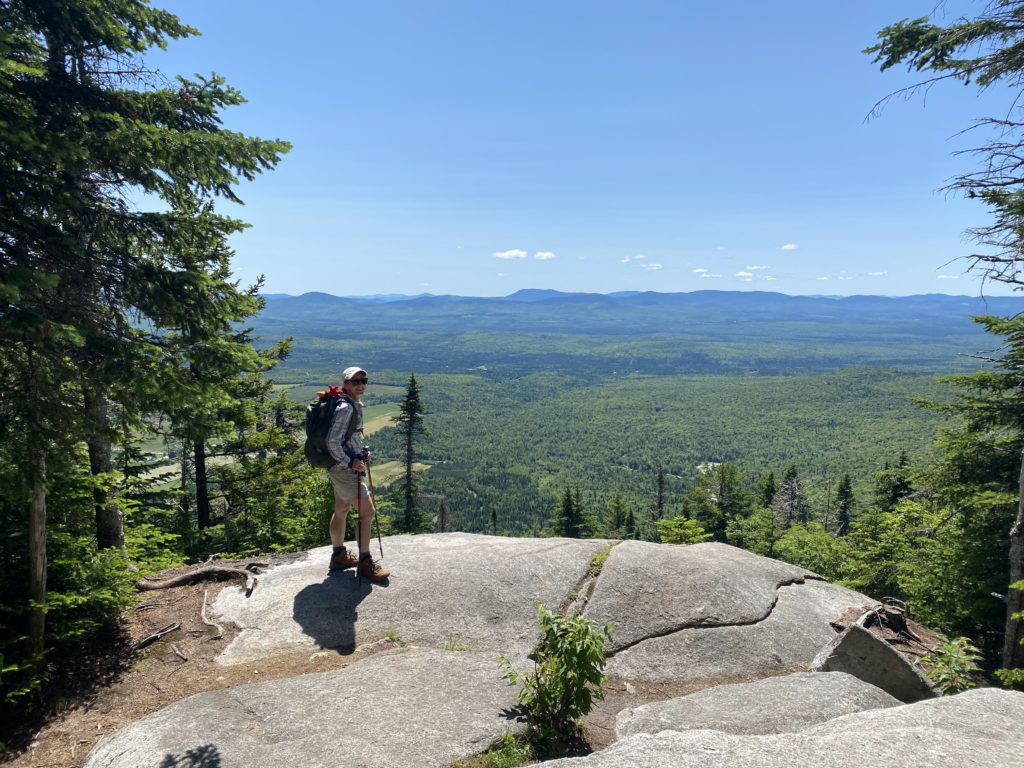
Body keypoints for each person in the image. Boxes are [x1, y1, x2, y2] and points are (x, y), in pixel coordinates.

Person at [326, 366, 390, 582]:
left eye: (364, 381)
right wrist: (350, 461)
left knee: (341, 509)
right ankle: (364, 561)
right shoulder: (346, 408)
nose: (361, 385)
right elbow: (332, 441)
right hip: (344, 469)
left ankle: (339, 556)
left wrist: (360, 452)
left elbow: (345, 438)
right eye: (356, 381)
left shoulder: (347, 403)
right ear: (345, 383)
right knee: (368, 512)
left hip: (339, 468)